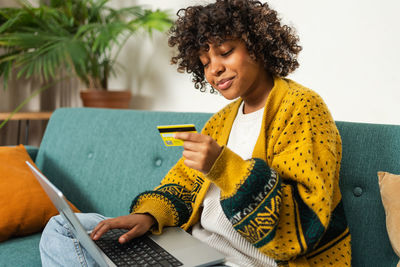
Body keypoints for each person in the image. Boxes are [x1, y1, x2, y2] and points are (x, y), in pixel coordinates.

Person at [40, 0, 352, 266]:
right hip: (193, 251)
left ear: (257, 46)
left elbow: (301, 226)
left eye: (225, 52)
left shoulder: (302, 108)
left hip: (246, 261)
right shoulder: (222, 120)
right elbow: (184, 182)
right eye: (204, 62)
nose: (214, 69)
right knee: (64, 227)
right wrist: (149, 216)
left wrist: (222, 166)